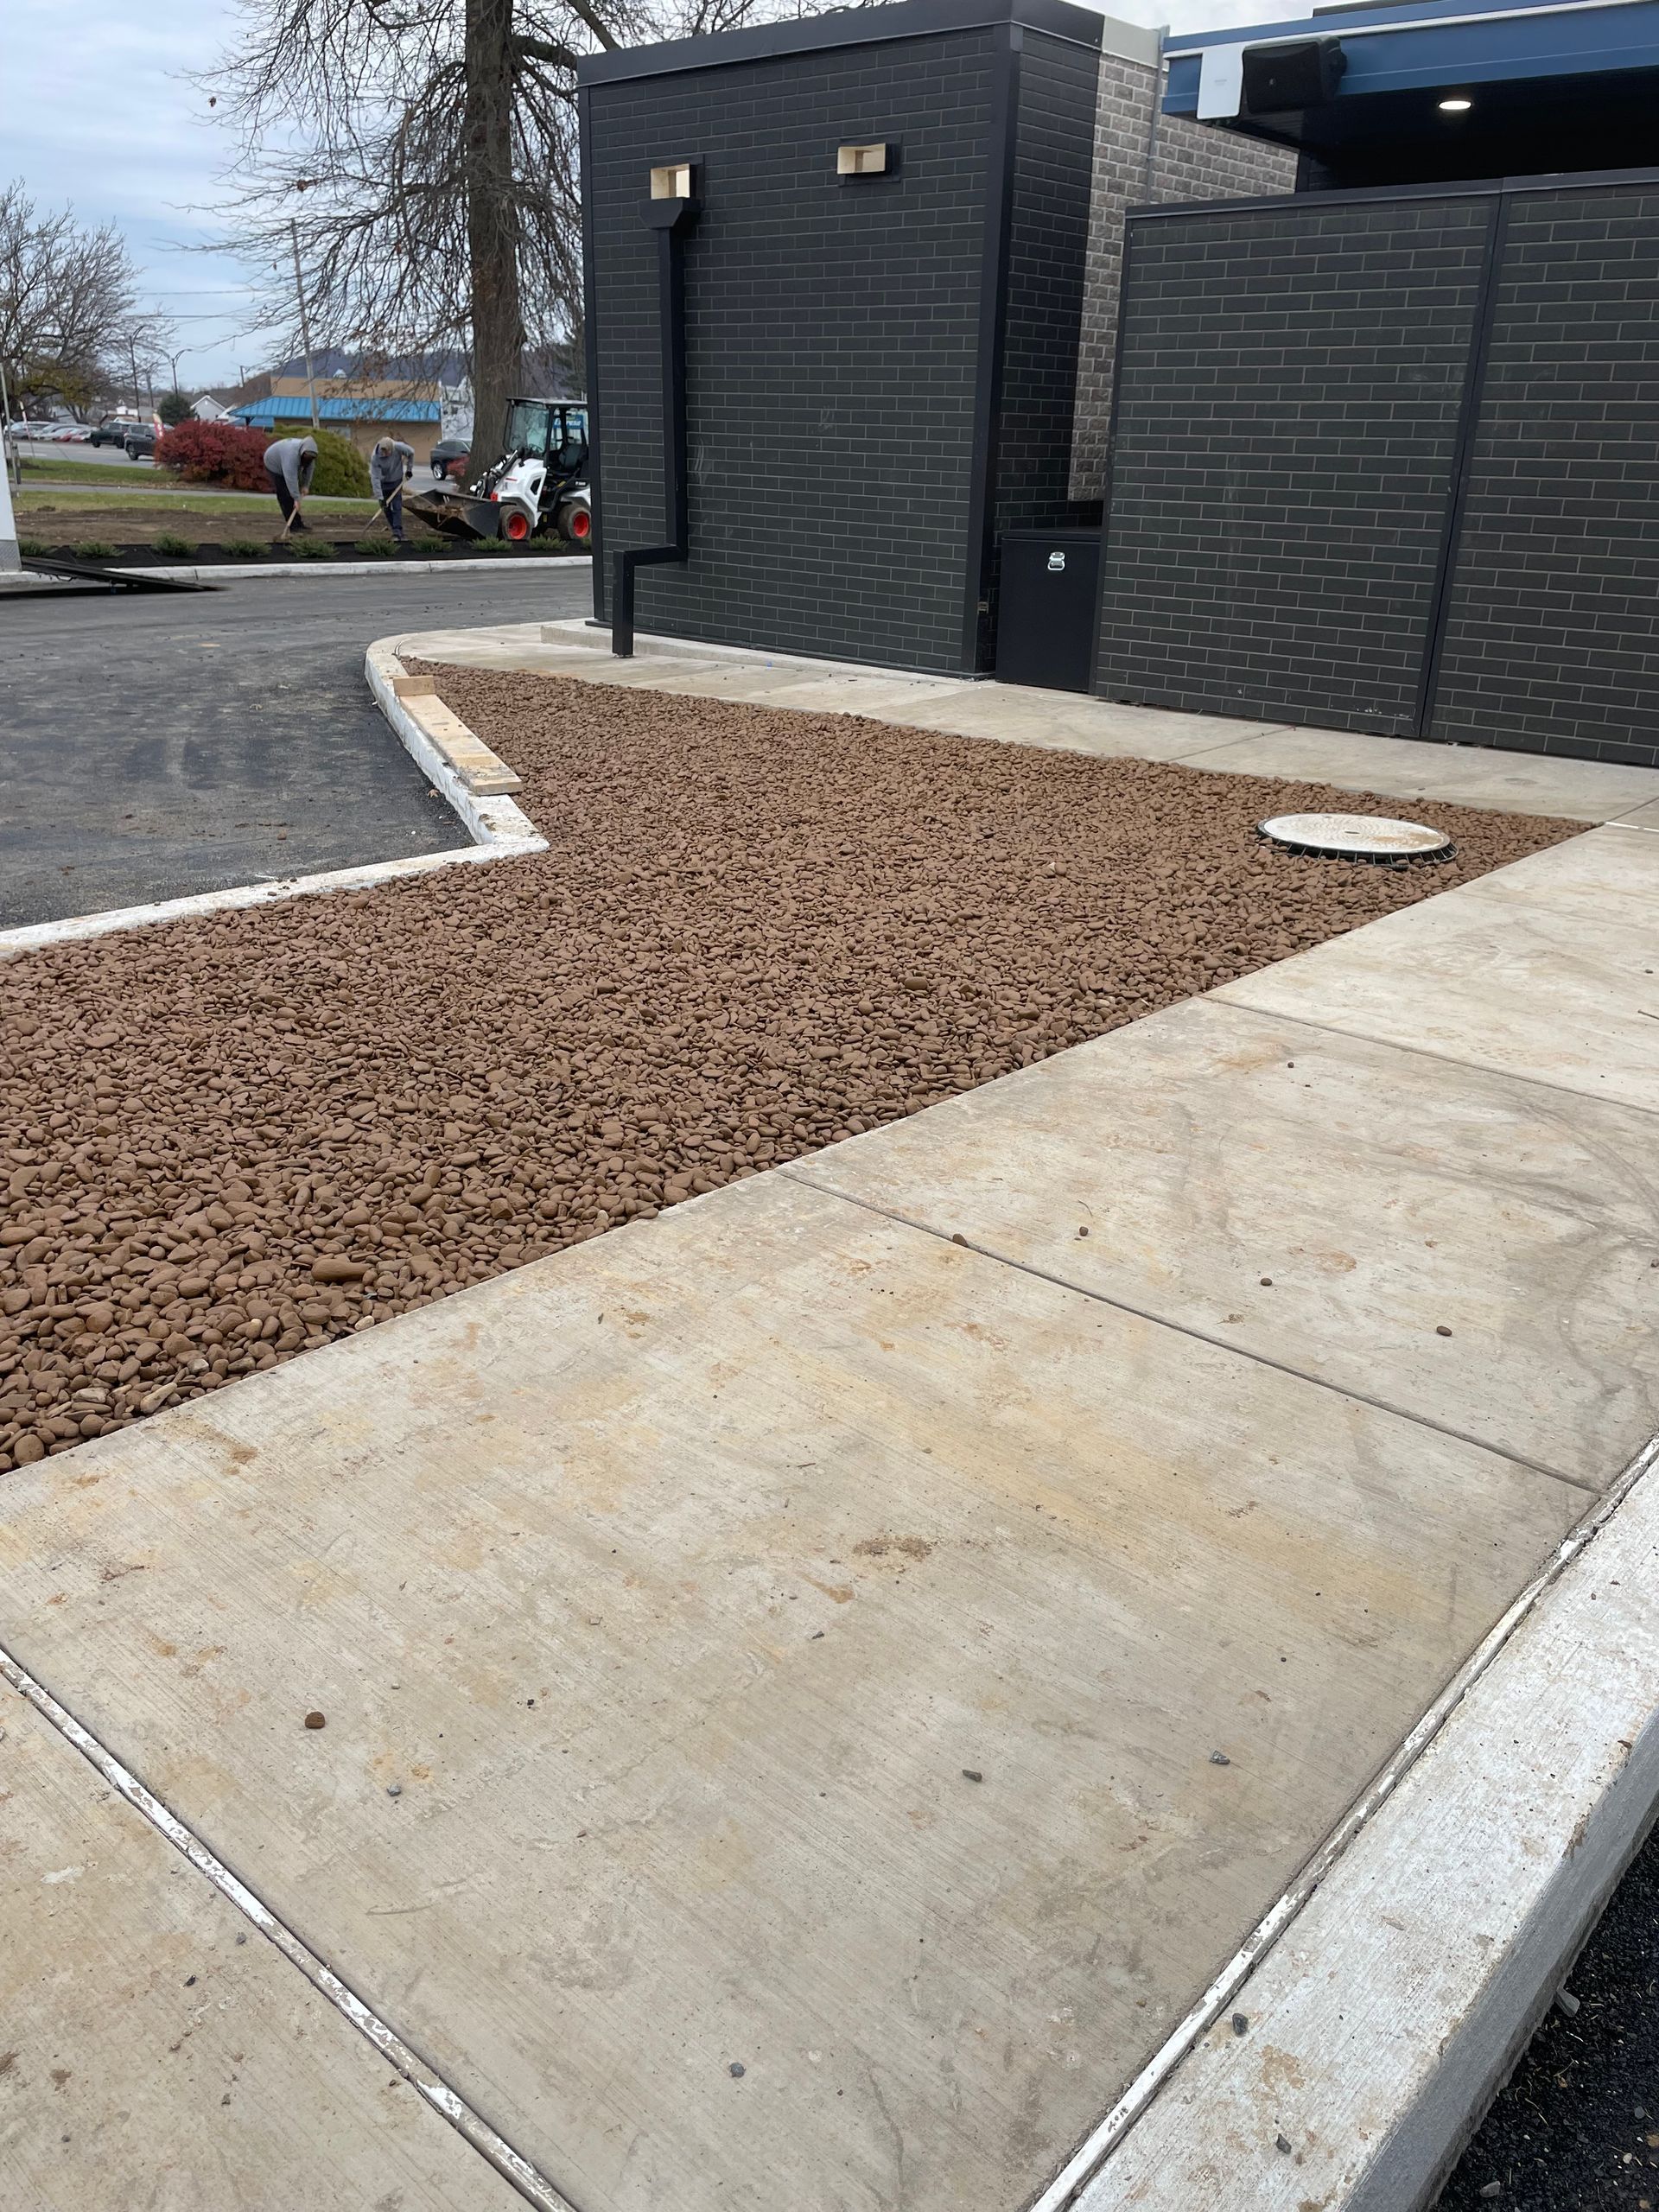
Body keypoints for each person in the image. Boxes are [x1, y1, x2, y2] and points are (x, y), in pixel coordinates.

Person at [264, 435, 318, 532]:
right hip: (273, 463)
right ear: (302, 452)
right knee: (285, 495)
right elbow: (291, 479)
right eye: (306, 456)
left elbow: (309, 470)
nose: (308, 459)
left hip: (284, 461)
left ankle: (298, 523)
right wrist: (296, 499)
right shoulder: (291, 455)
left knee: (291, 496)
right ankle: (294, 526)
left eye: (310, 458)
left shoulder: (310, 456)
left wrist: (306, 486)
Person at [370, 435, 416, 544]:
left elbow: (411, 452)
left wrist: (409, 469)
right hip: (383, 484)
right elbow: (375, 478)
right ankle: (397, 530)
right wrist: (380, 497)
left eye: (388, 452)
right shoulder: (375, 457)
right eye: (384, 453)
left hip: (396, 482)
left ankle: (397, 532)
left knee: (397, 507)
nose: (386, 454)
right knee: (386, 508)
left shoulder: (398, 447)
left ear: (392, 449)